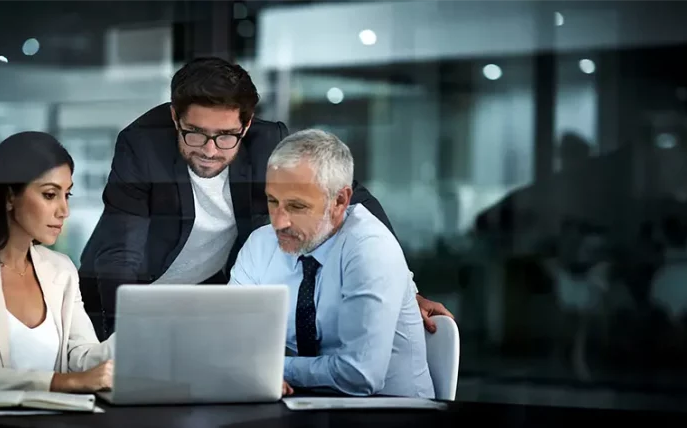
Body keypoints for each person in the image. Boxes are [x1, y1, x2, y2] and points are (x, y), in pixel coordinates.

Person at [78, 57, 452, 339]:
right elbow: (119, 253)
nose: (210, 150)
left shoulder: (269, 143)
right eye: (195, 133)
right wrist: (124, 337)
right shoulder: (141, 144)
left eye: (226, 136)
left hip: (203, 299)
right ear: (176, 117)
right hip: (120, 301)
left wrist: (408, 292)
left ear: (247, 123)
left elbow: (353, 201)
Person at [230, 129, 435, 398]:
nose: (278, 222)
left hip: (392, 419)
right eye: (272, 201)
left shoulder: (370, 248)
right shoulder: (261, 244)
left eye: (296, 206)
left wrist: (270, 368)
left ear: (339, 201)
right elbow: (229, 344)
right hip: (304, 413)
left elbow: (359, 375)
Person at [0, 132, 113, 392]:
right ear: (10, 196)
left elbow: (81, 355)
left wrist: (137, 337)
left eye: (67, 195)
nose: (64, 211)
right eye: (49, 195)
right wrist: (60, 382)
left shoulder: (61, 269)